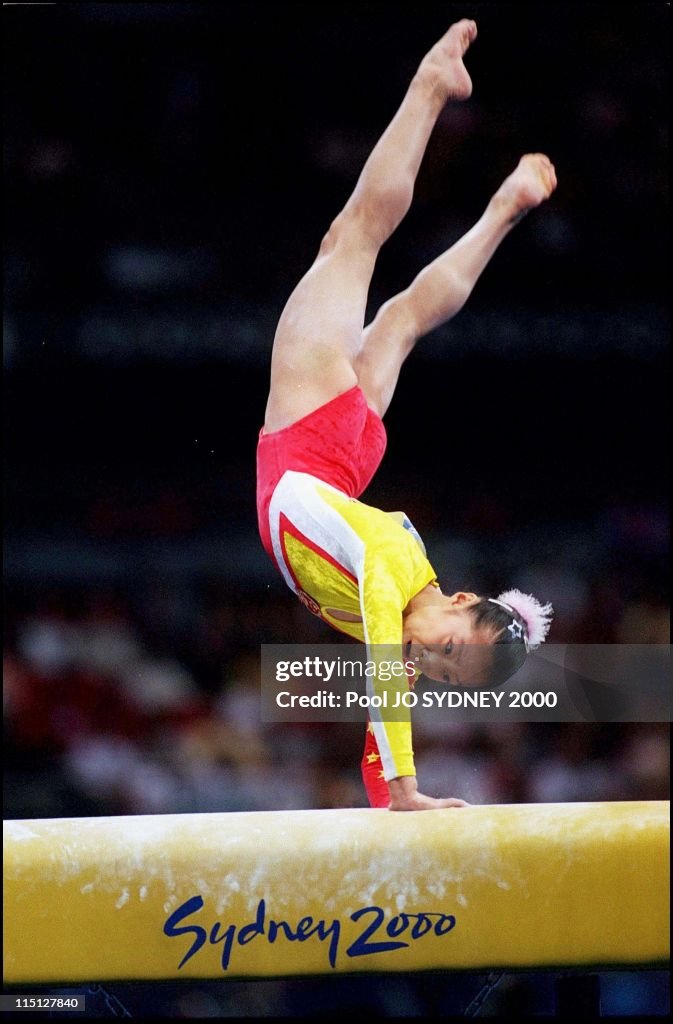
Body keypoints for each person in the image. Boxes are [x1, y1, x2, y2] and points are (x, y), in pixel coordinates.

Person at [256, 19, 556, 811]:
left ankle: (502, 209)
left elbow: (385, 679)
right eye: (452, 654)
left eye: (449, 676)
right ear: (457, 601)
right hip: (309, 437)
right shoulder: (392, 566)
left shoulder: (391, 595)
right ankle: (430, 83)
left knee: (401, 319)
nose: (437, 669)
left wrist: (384, 790)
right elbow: (385, 678)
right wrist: (403, 791)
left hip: (338, 460)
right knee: (352, 239)